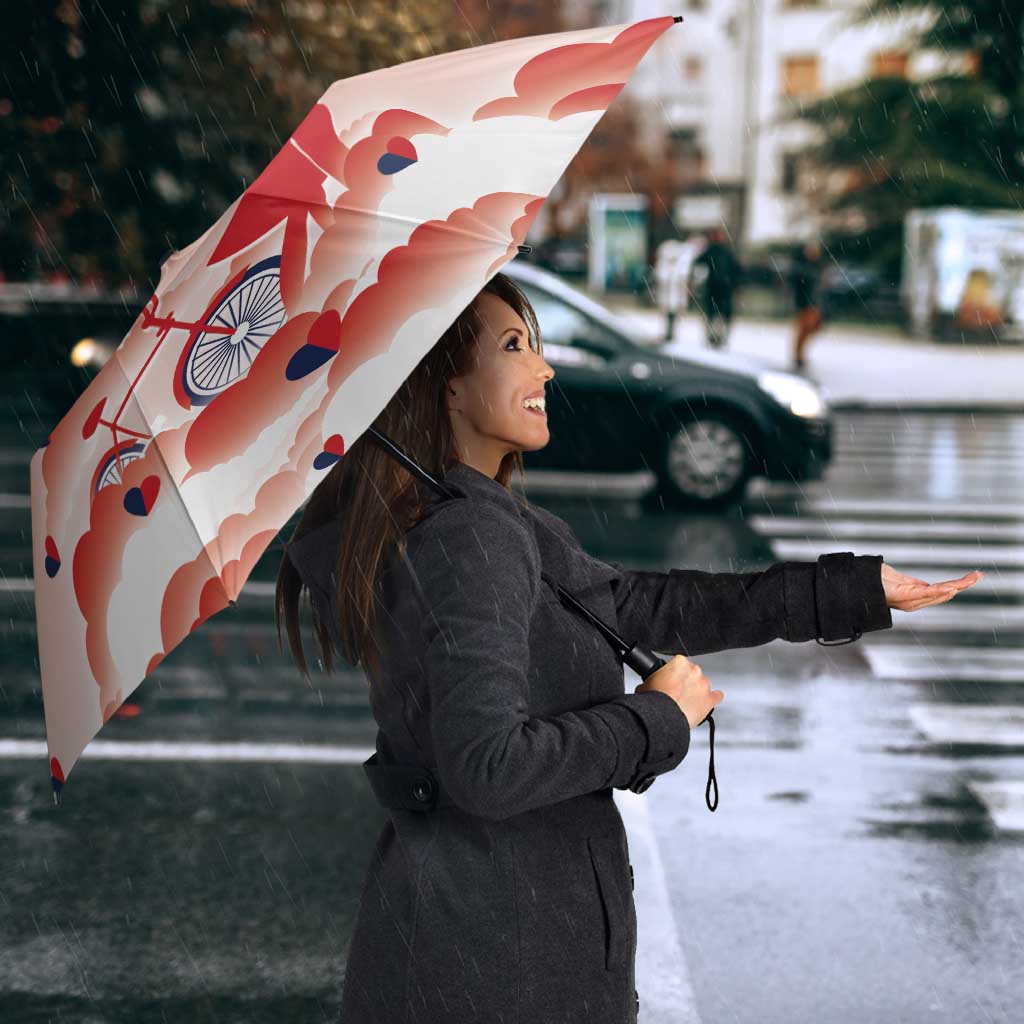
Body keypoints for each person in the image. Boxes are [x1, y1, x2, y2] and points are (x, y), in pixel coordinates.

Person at [276, 271, 977, 1024]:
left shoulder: (474, 518)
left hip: (478, 942)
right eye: (514, 346)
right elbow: (487, 768)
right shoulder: (469, 537)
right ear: (444, 385)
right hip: (498, 962)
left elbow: (640, 605)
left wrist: (850, 591)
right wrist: (655, 719)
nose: (544, 368)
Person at [692, 226, 742, 349]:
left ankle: (719, 337)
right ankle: (713, 337)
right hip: (715, 288)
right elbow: (698, 264)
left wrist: (735, 284)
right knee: (713, 314)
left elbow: (736, 270)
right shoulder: (712, 251)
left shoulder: (725, 252)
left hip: (723, 288)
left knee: (720, 315)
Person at [790, 239, 826, 371]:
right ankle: (798, 355)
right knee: (804, 329)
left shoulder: (817, 266)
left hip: (814, 303)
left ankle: (800, 354)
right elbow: (799, 286)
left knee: (812, 328)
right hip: (805, 303)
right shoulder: (802, 267)